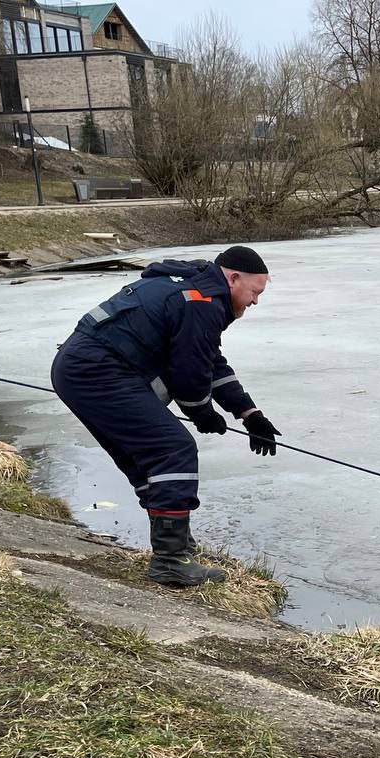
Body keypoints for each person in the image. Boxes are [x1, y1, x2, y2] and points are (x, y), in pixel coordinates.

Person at [51, 246, 280, 587]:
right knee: (173, 448)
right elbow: (189, 373)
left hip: (82, 367)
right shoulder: (201, 301)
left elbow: (207, 359)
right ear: (233, 278)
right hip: (99, 370)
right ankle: (170, 560)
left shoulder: (195, 289)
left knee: (147, 456)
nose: (255, 302)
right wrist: (202, 412)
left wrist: (249, 414)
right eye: (255, 292)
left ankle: (176, 545)